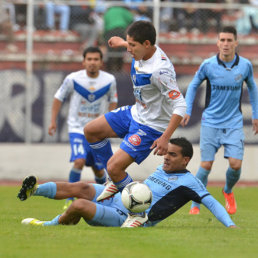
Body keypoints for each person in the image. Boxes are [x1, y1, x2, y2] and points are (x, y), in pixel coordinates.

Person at [83, 21, 187, 227]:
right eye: (128, 44)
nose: (128, 49)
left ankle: (140, 212)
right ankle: (114, 180)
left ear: (147, 44)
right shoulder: (142, 51)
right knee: (91, 131)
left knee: (114, 167)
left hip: (150, 127)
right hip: (135, 112)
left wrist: (165, 137)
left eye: (132, 45)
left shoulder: (160, 70)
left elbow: (180, 105)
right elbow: (134, 45)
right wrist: (122, 42)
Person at [17, 137, 236, 229]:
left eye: (172, 155)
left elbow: (213, 204)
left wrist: (231, 225)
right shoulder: (162, 168)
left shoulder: (191, 182)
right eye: (166, 153)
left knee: (79, 205)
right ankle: (34, 190)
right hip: (120, 198)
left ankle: (46, 226)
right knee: (81, 188)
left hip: (130, 217)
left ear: (186, 160)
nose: (165, 158)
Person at [181, 26, 258, 215]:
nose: (225, 44)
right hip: (211, 122)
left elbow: (253, 89)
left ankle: (228, 191)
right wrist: (187, 109)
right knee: (206, 165)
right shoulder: (208, 64)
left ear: (236, 43)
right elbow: (193, 85)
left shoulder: (245, 65)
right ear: (217, 42)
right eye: (222, 40)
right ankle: (196, 202)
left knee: (235, 164)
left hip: (233, 122)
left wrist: (256, 115)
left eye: (229, 40)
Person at [48, 46, 117, 209]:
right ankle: (70, 199)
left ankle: (102, 199)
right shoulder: (73, 79)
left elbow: (112, 100)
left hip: (97, 131)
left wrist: (109, 123)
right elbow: (59, 97)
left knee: (100, 170)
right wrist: (53, 121)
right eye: (89, 59)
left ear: (101, 62)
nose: (92, 63)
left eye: (96, 59)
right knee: (79, 161)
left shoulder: (109, 80)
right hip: (77, 129)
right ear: (83, 61)